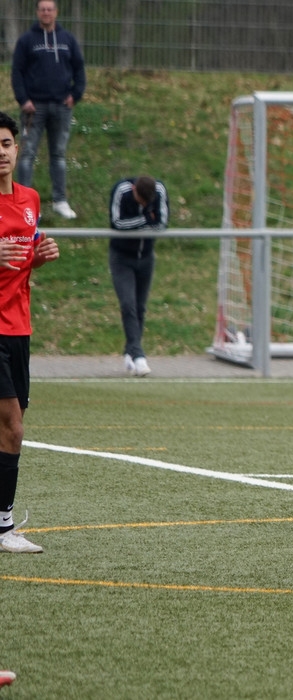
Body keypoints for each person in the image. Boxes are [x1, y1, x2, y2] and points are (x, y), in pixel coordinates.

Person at [0, 110, 60, 554]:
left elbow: (23, 260)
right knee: (13, 427)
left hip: (18, 328)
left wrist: (38, 257)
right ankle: (4, 528)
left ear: (17, 149)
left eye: (5, 144)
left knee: (9, 427)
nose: (0, 153)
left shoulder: (30, 199)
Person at [10, 0, 86, 220]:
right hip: (34, 108)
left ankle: (60, 201)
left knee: (58, 155)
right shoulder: (26, 40)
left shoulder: (67, 39)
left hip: (61, 106)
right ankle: (25, 205)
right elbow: (17, 72)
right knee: (27, 155)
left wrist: (76, 94)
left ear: (56, 12)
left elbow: (79, 68)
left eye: (49, 9)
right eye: (42, 9)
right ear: (37, 12)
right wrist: (23, 99)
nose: (46, 12)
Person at [108, 176, 169, 378]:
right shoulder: (121, 191)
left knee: (140, 307)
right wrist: (145, 219)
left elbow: (161, 223)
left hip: (146, 257)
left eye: (147, 203)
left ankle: (130, 352)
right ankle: (139, 355)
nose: (144, 205)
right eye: (140, 201)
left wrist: (142, 223)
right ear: (134, 190)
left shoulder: (159, 191)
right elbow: (117, 223)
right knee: (128, 305)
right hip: (121, 258)